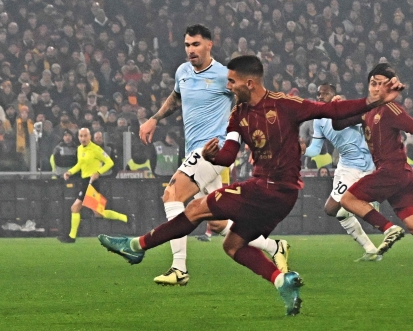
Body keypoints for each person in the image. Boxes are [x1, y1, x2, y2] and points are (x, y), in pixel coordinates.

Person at [99, 56, 404, 316]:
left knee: (195, 208)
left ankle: (137, 246)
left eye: (231, 82)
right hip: (271, 194)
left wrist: (376, 100)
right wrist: (214, 154)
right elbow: (229, 155)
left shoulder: (286, 105)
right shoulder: (238, 116)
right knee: (232, 246)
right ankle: (280, 281)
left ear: (249, 83)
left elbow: (332, 111)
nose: (227, 86)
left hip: (273, 189)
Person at [138, 24, 289, 286]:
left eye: (196, 44)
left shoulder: (224, 76)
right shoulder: (183, 72)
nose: (190, 50)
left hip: (212, 150)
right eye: (187, 45)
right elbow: (176, 98)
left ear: (210, 45)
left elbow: (252, 105)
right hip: (192, 152)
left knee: (172, 195)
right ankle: (275, 247)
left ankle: (178, 268)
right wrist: (154, 119)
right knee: (218, 224)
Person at [335, 63, 413, 257]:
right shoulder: (367, 109)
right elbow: (338, 124)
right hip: (397, 175)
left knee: (348, 199)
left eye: (381, 84)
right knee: (411, 220)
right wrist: (336, 108)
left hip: (392, 170)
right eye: (373, 83)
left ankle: (388, 228)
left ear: (388, 87)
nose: (376, 88)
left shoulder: (390, 108)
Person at [304, 83, 381, 261]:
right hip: (346, 166)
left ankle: (369, 200)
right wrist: (301, 150)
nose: (320, 96)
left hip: (364, 163)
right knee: (334, 210)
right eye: (318, 94)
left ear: (334, 95)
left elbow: (365, 118)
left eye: (325, 93)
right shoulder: (318, 120)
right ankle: (370, 250)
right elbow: (315, 148)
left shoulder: (346, 108)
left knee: (336, 207)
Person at [58, 128, 130, 243]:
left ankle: (71, 237)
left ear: (90, 136)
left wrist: (98, 172)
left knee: (75, 208)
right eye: (81, 136)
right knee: (98, 213)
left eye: (85, 136)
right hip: (85, 181)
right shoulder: (80, 149)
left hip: (92, 183)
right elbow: (80, 164)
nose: (83, 138)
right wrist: (69, 172)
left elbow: (109, 162)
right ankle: (125, 218)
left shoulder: (96, 149)